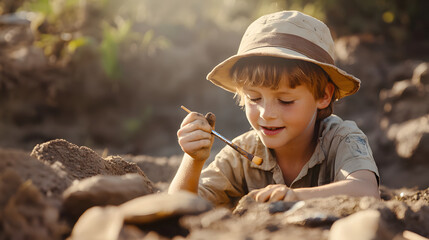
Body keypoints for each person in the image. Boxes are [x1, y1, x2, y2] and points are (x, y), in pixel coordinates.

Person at [168, 10, 380, 208]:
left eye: (285, 101)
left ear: (324, 95)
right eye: (254, 98)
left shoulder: (343, 138)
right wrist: (193, 160)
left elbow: (366, 191)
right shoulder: (242, 154)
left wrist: (294, 196)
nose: (266, 114)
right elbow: (179, 205)